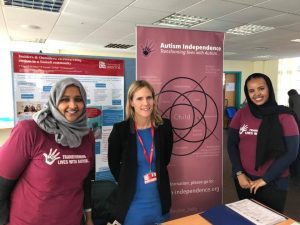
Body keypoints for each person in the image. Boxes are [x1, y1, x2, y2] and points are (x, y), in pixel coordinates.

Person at [0, 77, 95, 225]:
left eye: (78, 99)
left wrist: (88, 217)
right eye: (64, 99)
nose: (73, 105)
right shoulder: (29, 131)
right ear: (54, 101)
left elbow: (85, 182)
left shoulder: (87, 136)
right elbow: (2, 183)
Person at [227, 73, 299, 213]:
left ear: (269, 89)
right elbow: (232, 144)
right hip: (244, 179)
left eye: (261, 88)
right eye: (251, 90)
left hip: (273, 181)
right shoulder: (242, 113)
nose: (257, 94)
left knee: (270, 220)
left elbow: (291, 152)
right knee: (246, 217)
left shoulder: (285, 116)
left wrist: (265, 179)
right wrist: (239, 172)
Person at [107, 80, 173, 225]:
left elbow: (165, 159)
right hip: (132, 204)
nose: (146, 103)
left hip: (159, 202)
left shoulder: (164, 127)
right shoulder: (120, 130)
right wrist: (127, 181)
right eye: (139, 98)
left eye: (149, 97)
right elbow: (114, 165)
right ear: (131, 102)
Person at [287, 89, 300, 184]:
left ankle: (294, 173)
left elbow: (291, 111)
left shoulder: (291, 98)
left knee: (295, 150)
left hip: (296, 125)